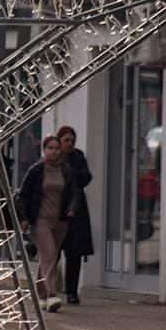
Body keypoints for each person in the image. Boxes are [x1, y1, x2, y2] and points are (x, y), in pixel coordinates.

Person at [15, 135, 80, 313]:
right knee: (50, 255)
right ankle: (51, 295)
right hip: (40, 220)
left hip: (60, 221)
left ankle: (41, 295)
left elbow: (75, 191)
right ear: (44, 150)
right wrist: (23, 218)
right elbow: (23, 194)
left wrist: (72, 207)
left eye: (57, 148)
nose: (54, 152)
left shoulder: (66, 170)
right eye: (50, 148)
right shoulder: (36, 170)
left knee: (48, 257)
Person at [57, 126, 94, 305]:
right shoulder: (53, 158)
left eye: (72, 141)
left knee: (74, 253)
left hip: (76, 211)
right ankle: (47, 290)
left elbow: (86, 178)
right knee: (53, 253)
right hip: (56, 210)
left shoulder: (78, 158)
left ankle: (72, 292)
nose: (70, 144)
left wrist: (71, 169)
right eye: (66, 140)